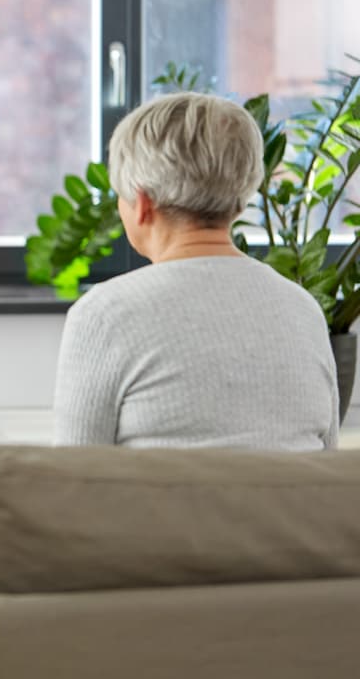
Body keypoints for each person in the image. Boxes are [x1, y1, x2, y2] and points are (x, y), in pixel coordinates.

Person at [53, 91, 338, 450]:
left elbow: (74, 484)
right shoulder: (304, 311)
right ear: (240, 197)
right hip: (287, 509)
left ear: (142, 204)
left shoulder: (104, 316)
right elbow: (324, 474)